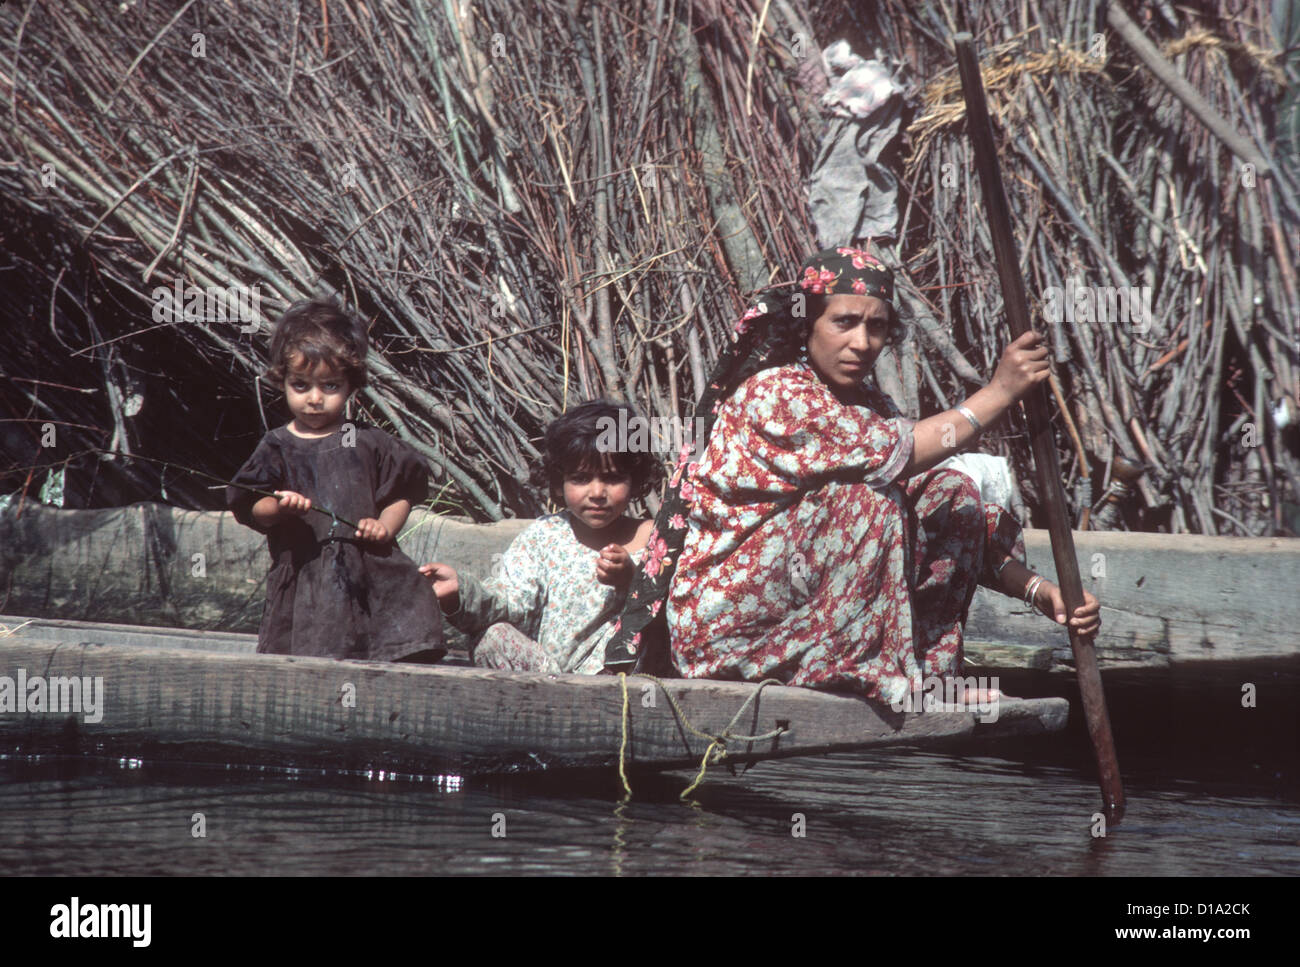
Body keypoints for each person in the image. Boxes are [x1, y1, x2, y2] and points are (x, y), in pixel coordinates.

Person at [604, 246, 1100, 704]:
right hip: (728, 630)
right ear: (807, 325)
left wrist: (1040, 591)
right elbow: (901, 456)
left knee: (952, 490)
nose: (862, 343)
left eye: (876, 327)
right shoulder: (775, 393)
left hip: (792, 615)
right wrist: (999, 392)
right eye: (843, 322)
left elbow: (932, 502)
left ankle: (929, 675)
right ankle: (875, 675)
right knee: (869, 497)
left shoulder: (866, 405)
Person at [226, 300, 443, 662]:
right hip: (307, 576)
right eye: (301, 385)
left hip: (368, 571)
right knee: (314, 654)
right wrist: (279, 508)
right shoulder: (277, 446)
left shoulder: (366, 441)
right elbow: (250, 506)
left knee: (399, 623)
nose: (314, 399)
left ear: (350, 385)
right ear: (282, 380)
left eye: (329, 386)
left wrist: (384, 527)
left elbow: (403, 491)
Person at [421, 400, 656, 674]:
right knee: (493, 638)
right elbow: (511, 603)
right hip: (547, 680)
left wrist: (632, 579)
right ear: (559, 481)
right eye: (580, 478)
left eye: (612, 478)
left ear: (635, 480)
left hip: (620, 682)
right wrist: (460, 593)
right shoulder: (545, 537)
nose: (597, 492)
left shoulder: (653, 538)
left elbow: (676, 616)